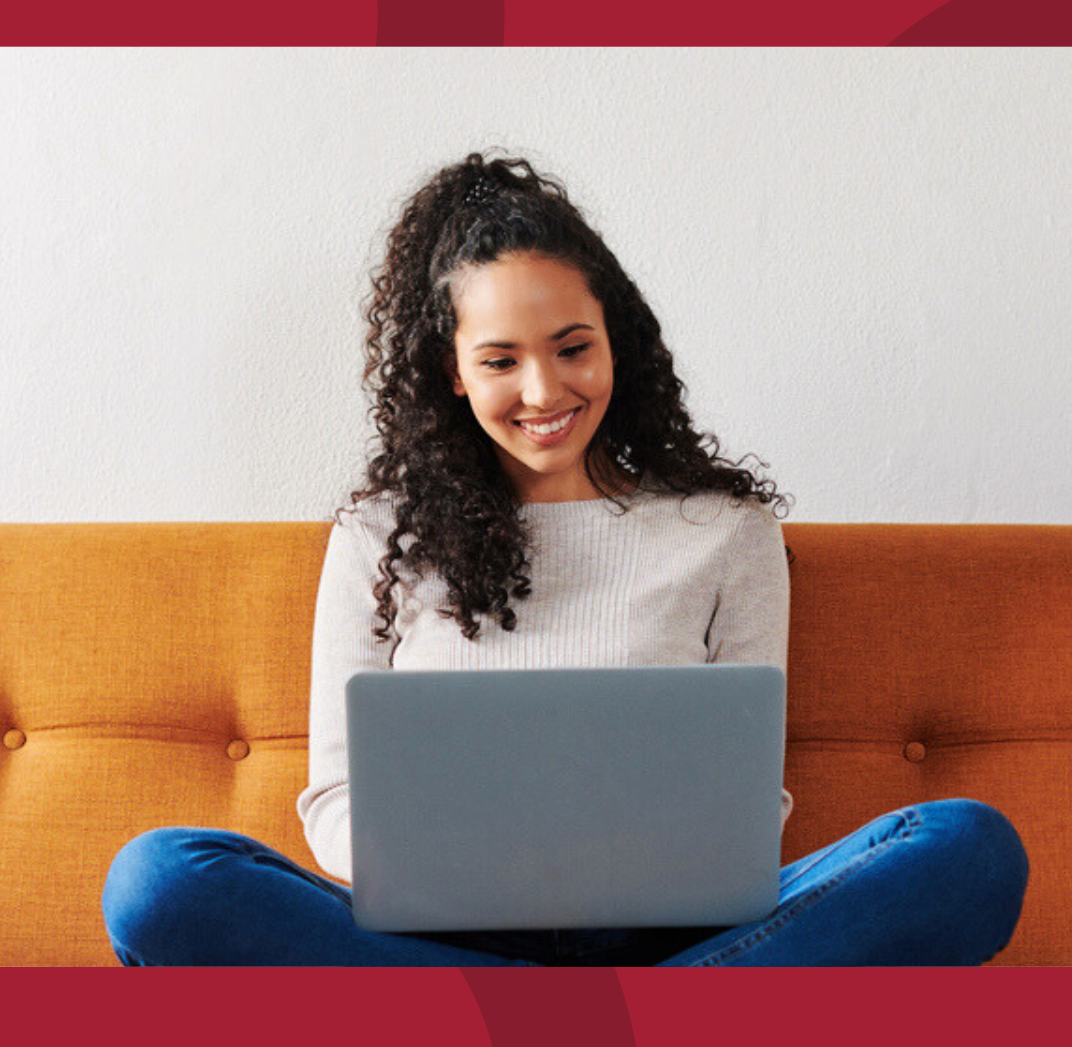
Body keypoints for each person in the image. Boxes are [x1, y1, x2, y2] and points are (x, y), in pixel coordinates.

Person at [102, 152, 1028, 966]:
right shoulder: (380, 538)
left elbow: (745, 805)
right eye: (501, 360)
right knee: (160, 882)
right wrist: (458, 874)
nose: (545, 390)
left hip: (679, 937)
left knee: (967, 848)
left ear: (614, 341)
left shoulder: (725, 533)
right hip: (437, 941)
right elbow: (336, 801)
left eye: (572, 348)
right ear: (452, 371)